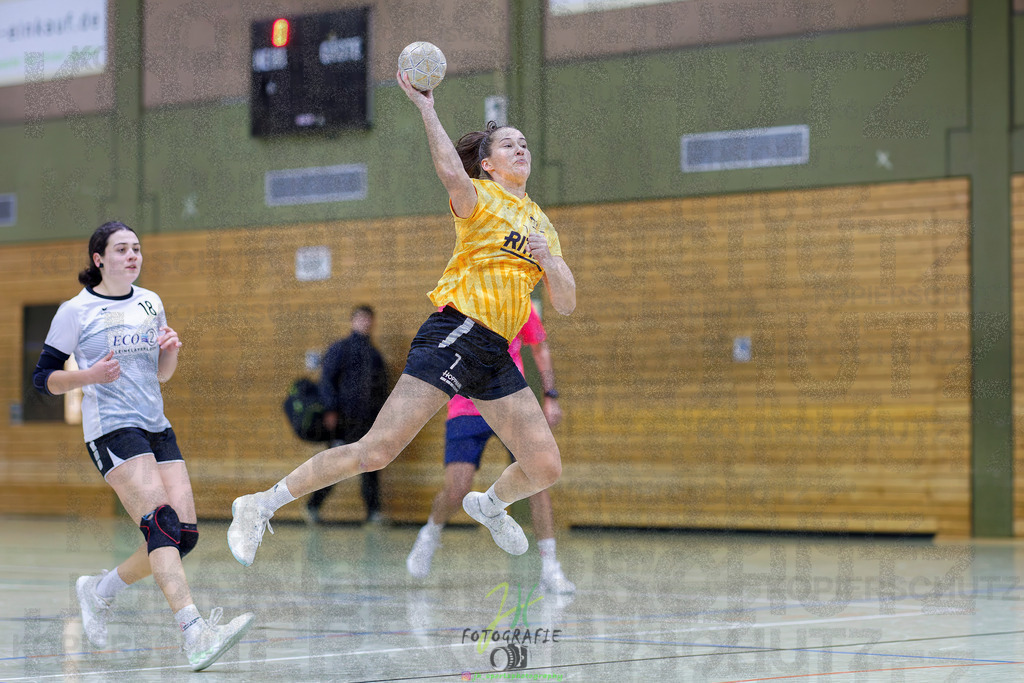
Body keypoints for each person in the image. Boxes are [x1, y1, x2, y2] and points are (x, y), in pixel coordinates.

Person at [227, 69, 576, 568]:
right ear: (488, 163)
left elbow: (564, 301)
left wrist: (553, 261)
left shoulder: (541, 223)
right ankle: (259, 506)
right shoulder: (480, 200)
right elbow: (450, 173)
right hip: (454, 334)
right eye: (508, 145)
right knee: (376, 451)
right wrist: (426, 107)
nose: (521, 149)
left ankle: (491, 505)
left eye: (524, 144)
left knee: (544, 465)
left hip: (495, 352)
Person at [32, 221, 253, 671]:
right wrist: (88, 376)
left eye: (136, 249)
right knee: (160, 523)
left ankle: (99, 591)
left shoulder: (151, 302)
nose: (132, 256)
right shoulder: (75, 311)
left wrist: (169, 349)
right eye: (121, 249)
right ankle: (195, 633)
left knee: (183, 535)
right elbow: (43, 379)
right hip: (111, 428)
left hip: (156, 425)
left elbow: (161, 375)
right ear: (99, 259)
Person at [406, 302, 575, 593]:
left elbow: (540, 348)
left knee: (538, 480)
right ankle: (430, 533)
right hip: (465, 406)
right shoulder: (459, 297)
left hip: (509, 403)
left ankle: (550, 567)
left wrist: (551, 395)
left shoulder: (518, 301)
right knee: (457, 489)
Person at [305, 305, 389, 524]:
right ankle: (313, 506)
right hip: (343, 420)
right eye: (361, 319)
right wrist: (330, 409)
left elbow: (382, 389)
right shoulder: (340, 349)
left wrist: (382, 420)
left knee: (371, 465)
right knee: (336, 466)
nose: (365, 323)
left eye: (369, 319)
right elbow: (326, 381)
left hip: (368, 422)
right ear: (353, 321)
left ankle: (374, 512)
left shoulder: (374, 355)